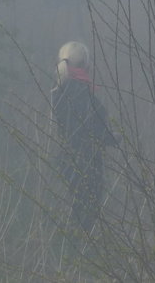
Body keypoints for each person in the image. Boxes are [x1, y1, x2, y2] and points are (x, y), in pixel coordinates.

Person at [51, 41, 117, 232]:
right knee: (85, 219)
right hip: (86, 164)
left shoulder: (58, 90)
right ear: (85, 64)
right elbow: (93, 128)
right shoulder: (81, 92)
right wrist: (113, 138)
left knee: (69, 216)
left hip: (64, 162)